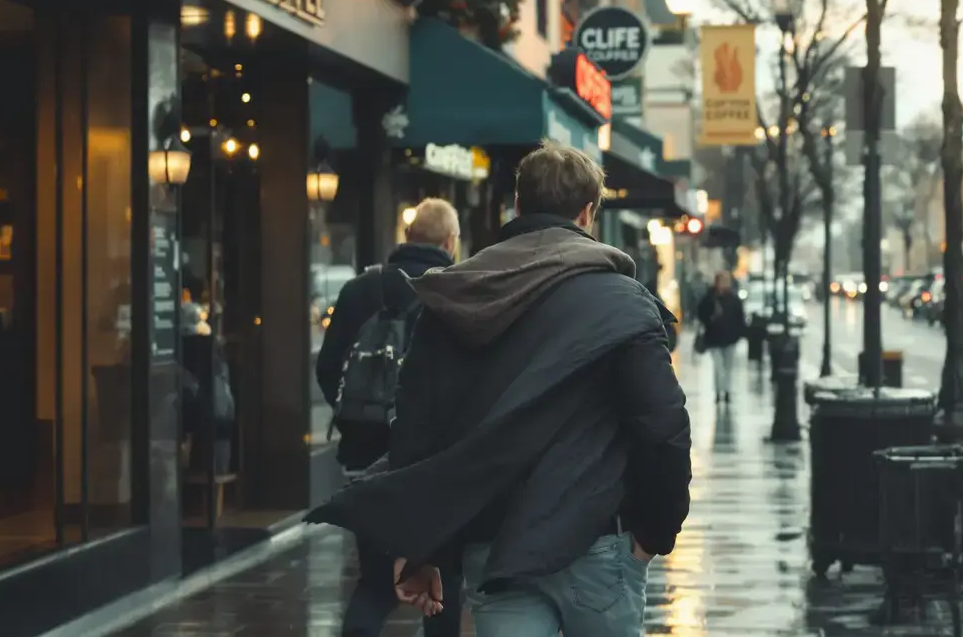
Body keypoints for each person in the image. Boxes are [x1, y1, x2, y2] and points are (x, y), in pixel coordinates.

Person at [307, 142, 692, 637]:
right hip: (599, 544)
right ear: (588, 213)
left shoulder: (459, 291)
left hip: (496, 545)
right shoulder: (624, 302)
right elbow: (663, 429)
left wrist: (422, 548)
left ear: (516, 205)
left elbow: (420, 433)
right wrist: (653, 534)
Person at [314, 197, 462, 637]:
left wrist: (359, 420)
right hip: (434, 467)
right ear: (450, 242)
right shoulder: (457, 290)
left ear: (408, 237)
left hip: (364, 461)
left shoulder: (361, 289)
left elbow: (328, 368)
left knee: (376, 583)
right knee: (444, 583)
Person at [697, 270, 746, 404]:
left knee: (728, 368)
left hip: (730, 339)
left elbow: (740, 318)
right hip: (714, 339)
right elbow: (701, 313)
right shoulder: (710, 297)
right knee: (719, 368)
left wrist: (739, 333)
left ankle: (727, 391)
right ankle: (719, 392)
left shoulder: (734, 299)